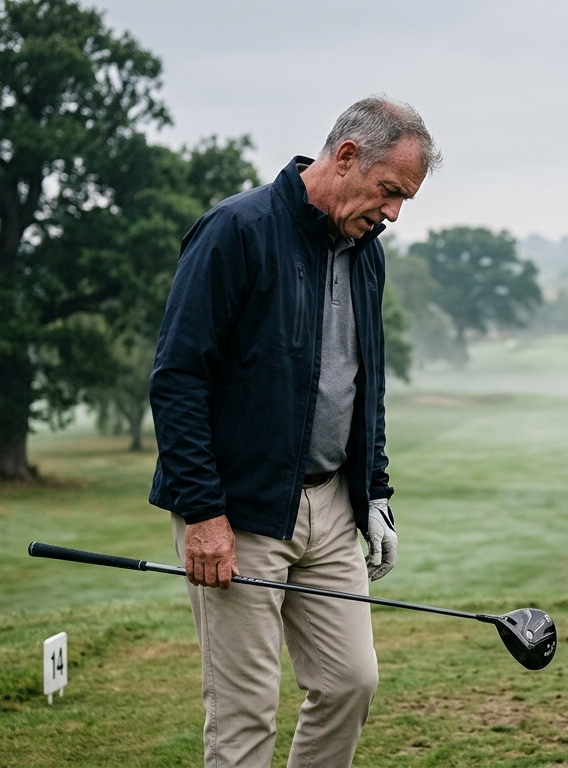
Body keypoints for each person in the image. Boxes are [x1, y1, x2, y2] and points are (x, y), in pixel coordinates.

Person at [148, 96, 440, 768]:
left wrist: (376, 493)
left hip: (333, 508)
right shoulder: (235, 230)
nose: (393, 214)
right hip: (241, 511)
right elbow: (179, 377)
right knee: (244, 715)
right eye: (390, 192)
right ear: (345, 157)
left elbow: (366, 381)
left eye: (405, 201)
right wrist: (204, 515)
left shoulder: (366, 251)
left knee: (350, 682)